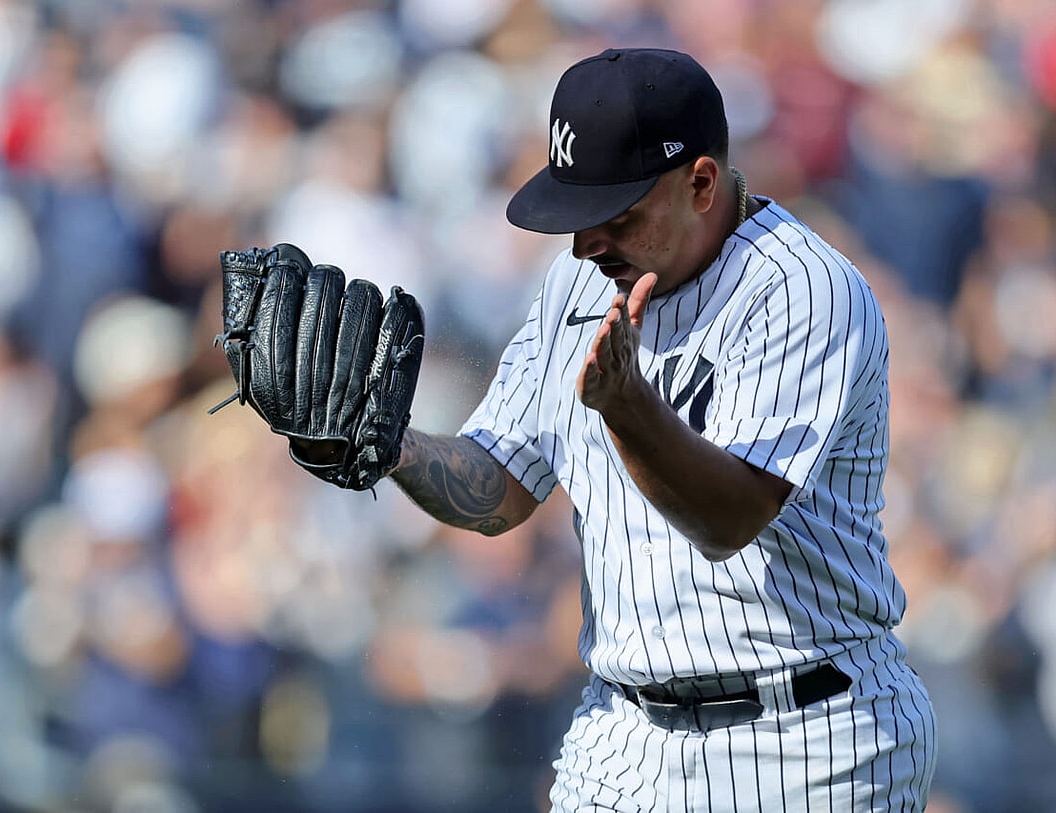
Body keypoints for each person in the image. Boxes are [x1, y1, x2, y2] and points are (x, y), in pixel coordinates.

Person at [297, 47, 937, 811]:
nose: (583, 244)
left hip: (807, 734)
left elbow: (729, 519)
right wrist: (387, 446)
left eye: (615, 214)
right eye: (576, 214)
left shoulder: (804, 290)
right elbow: (500, 487)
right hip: (622, 731)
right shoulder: (579, 279)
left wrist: (629, 408)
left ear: (700, 182)